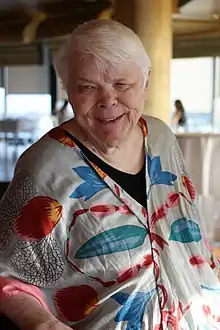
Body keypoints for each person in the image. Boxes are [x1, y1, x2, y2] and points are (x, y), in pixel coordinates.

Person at [0, 19, 219, 330]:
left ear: (146, 82)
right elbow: (6, 271)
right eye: (88, 87)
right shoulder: (44, 168)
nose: (107, 100)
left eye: (122, 85)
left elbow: (185, 225)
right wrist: (40, 322)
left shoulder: (160, 136)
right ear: (68, 90)